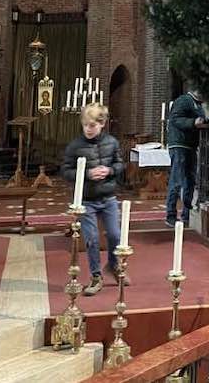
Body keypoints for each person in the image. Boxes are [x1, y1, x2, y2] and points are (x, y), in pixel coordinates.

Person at [62, 103, 126, 296]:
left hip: (108, 197)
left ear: (102, 124)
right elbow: (65, 171)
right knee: (91, 239)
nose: (88, 129)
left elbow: (120, 164)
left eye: (92, 125)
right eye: (85, 125)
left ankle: (113, 266)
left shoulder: (112, 143)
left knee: (115, 236)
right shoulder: (75, 146)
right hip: (87, 200)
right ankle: (96, 276)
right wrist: (87, 173)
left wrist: (110, 170)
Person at [165, 85, 205, 227]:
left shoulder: (198, 105)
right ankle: (170, 214)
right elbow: (175, 119)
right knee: (176, 180)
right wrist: (193, 122)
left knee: (190, 180)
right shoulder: (184, 100)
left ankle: (187, 213)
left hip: (190, 145)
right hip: (179, 144)